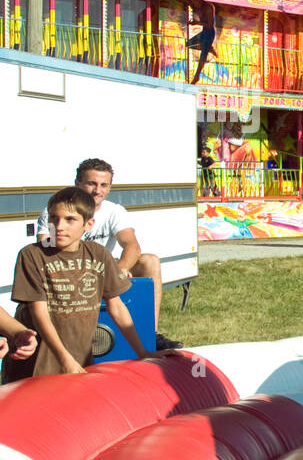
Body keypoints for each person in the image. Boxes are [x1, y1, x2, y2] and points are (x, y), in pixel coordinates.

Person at [3, 188, 155, 384]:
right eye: (54, 218)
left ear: (88, 224)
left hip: (79, 360)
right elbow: (38, 312)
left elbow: (116, 306)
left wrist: (142, 352)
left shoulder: (99, 254)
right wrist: (65, 360)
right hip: (36, 365)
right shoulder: (32, 255)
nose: (59, 226)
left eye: (70, 219)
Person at [36, 158, 181, 350]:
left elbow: (132, 245)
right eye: (91, 183)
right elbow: (45, 248)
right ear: (77, 183)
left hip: (105, 269)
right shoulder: (55, 210)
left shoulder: (114, 211)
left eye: (104, 185)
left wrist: (119, 270)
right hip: (66, 270)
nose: (98, 190)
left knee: (150, 261)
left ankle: (150, 333)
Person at [186, 0, 220, 85]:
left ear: (199, 1)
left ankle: (196, 76)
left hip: (209, 33)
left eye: (195, 2)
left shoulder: (208, 7)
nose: (195, 5)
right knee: (189, 44)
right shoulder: (199, 8)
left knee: (203, 56)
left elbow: (209, 25)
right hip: (204, 32)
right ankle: (210, 48)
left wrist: (197, 23)